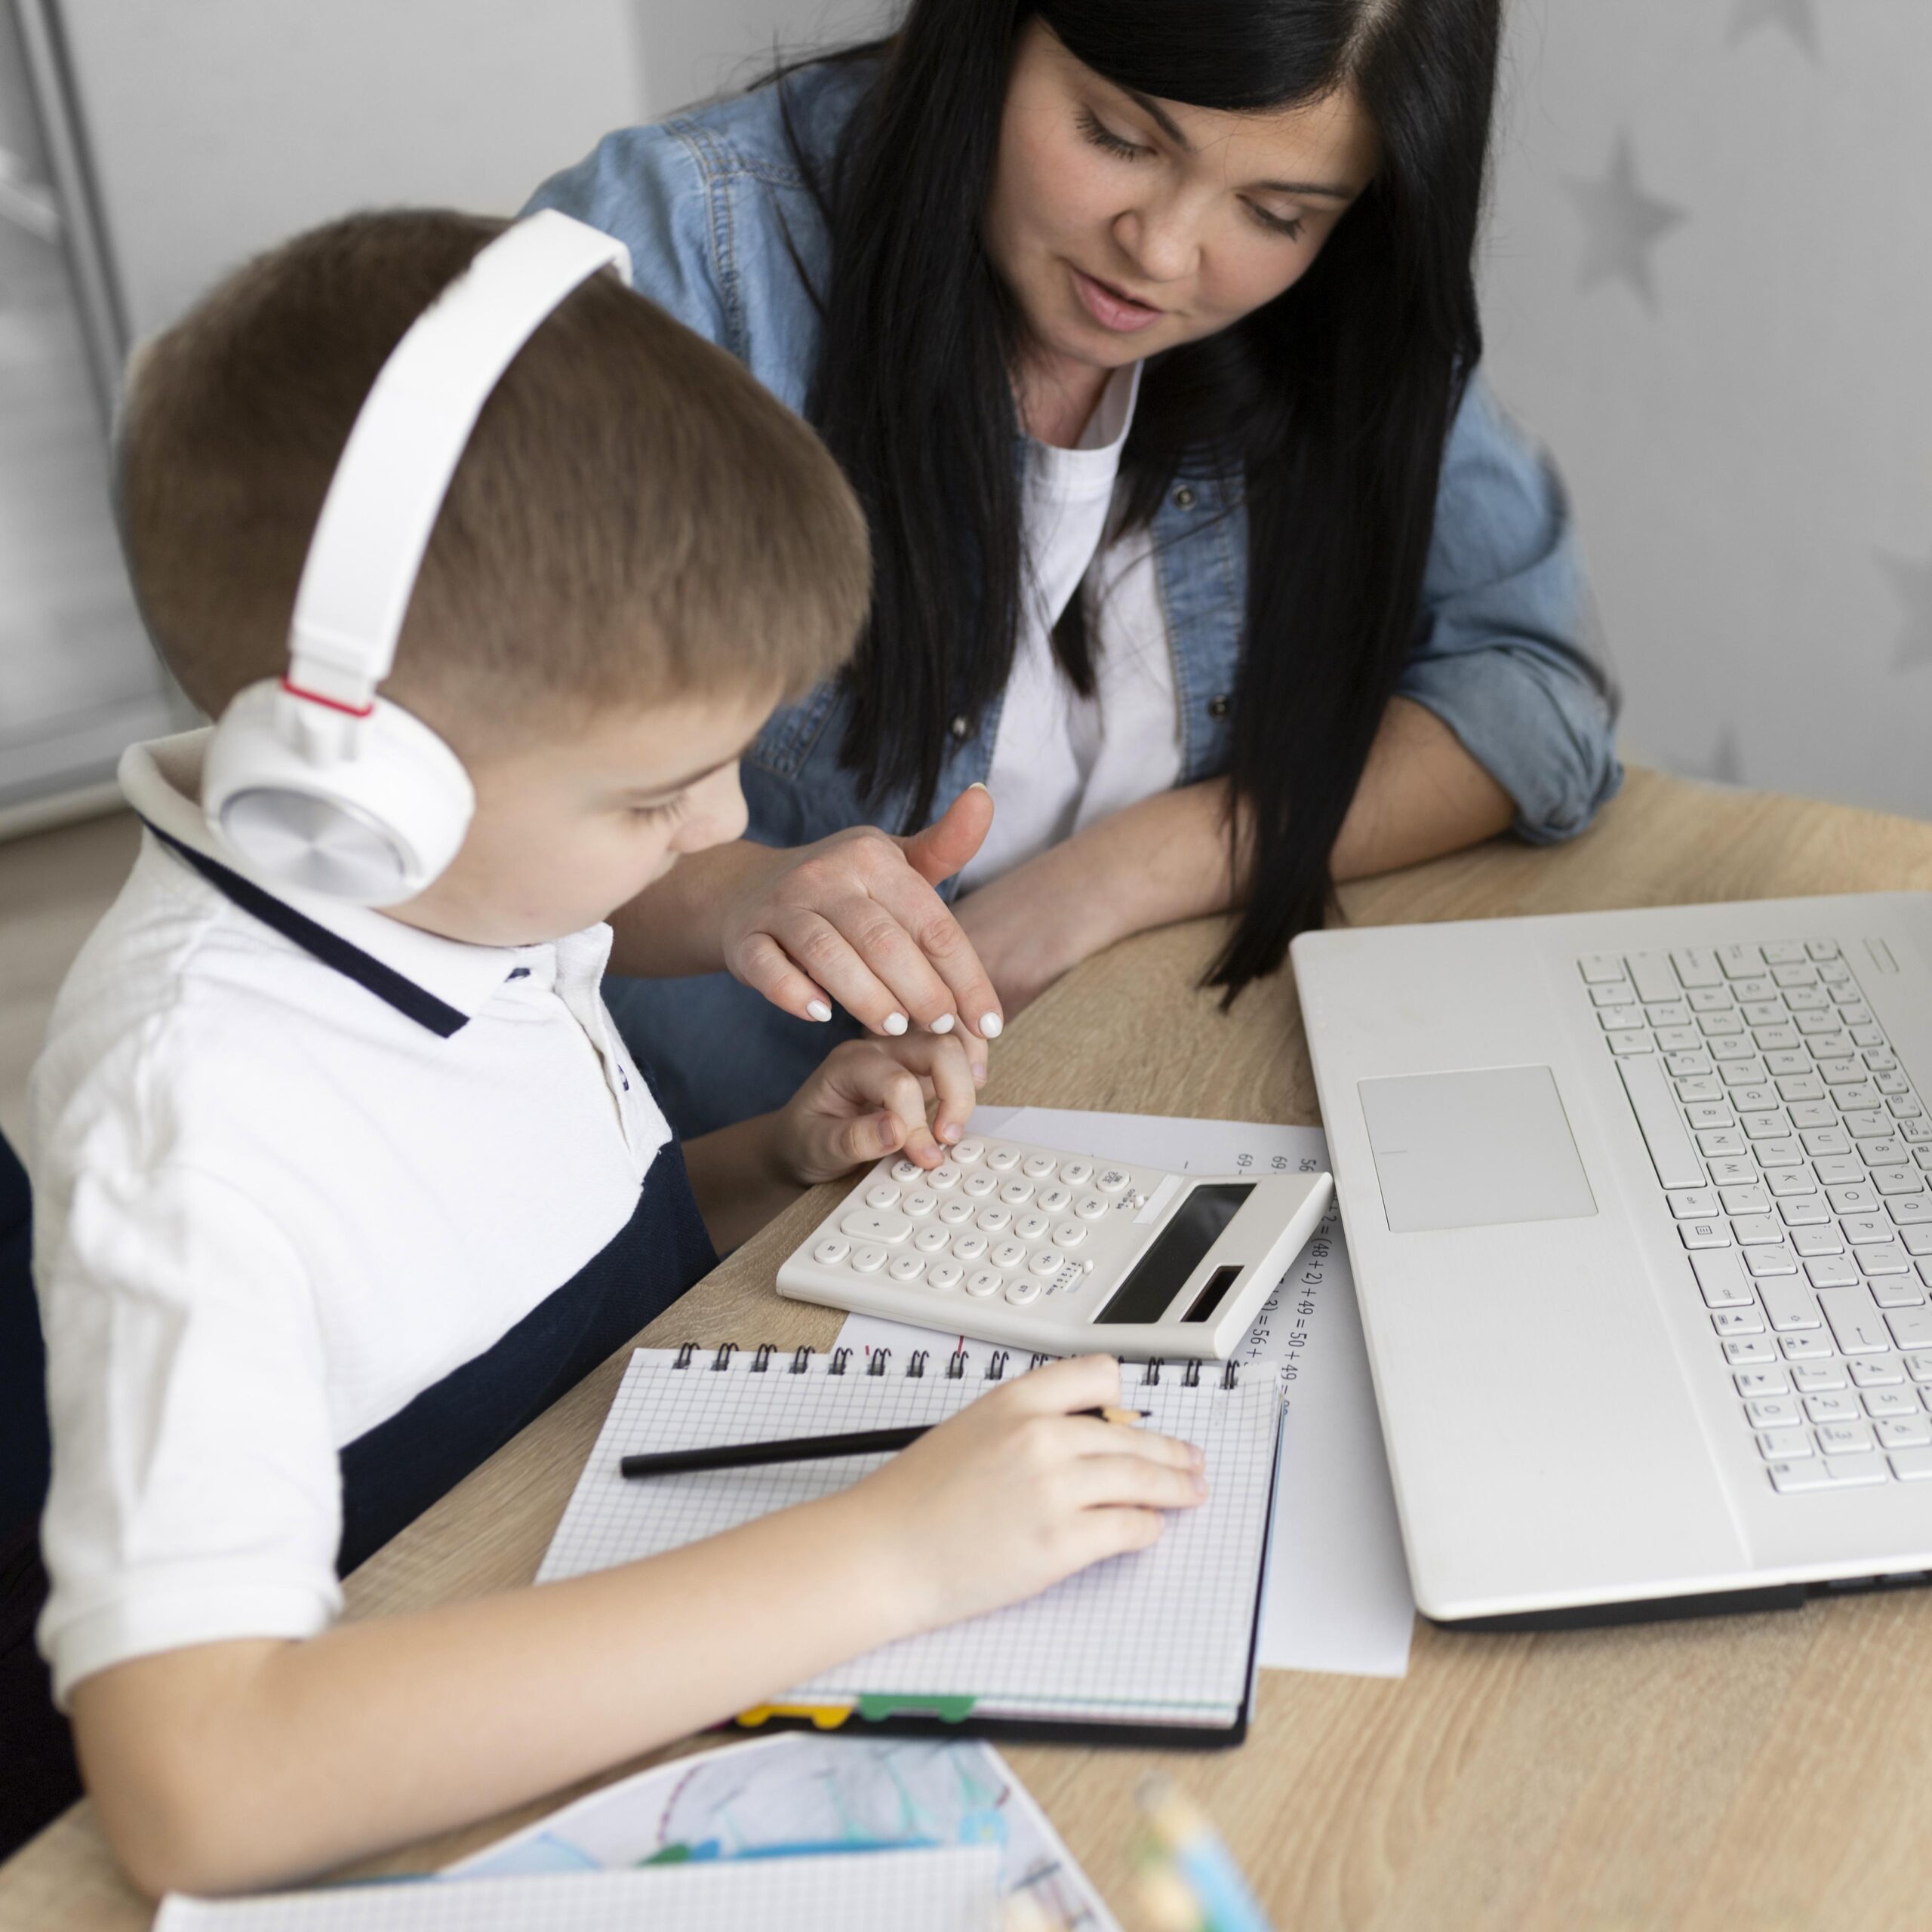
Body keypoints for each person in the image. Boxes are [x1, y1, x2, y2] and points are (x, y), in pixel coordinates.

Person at [21, 210, 1203, 1889]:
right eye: (656, 795)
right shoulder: (192, 1118)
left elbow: (504, 1290)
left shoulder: (460, 909)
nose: (725, 824)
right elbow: (196, 1781)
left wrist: (762, 1167)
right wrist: (892, 1555)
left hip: (599, 1523)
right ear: (359, 791)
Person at [531, 0, 1624, 1140]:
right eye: (1118, 138)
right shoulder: (683, 251)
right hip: (706, 1185)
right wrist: (741, 895)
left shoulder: (1345, 310)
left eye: (1273, 212)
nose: (1159, 252)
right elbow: (457, 800)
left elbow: (1535, 695)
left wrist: (1126, 874)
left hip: (1141, 1090)